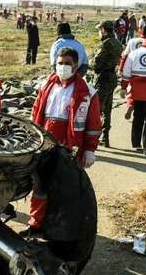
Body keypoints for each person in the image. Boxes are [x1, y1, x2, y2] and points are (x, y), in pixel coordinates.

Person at [26, 47, 101, 234]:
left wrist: (90, 150)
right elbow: (36, 113)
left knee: (65, 189)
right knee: (40, 186)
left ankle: (59, 230)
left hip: (69, 148)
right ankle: (35, 225)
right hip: (44, 144)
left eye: (68, 63)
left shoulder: (87, 93)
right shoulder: (46, 86)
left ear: (76, 66)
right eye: (60, 63)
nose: (63, 66)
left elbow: (93, 124)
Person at [92, 20, 124, 147]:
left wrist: (90, 65)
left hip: (103, 79)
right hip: (111, 77)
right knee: (107, 110)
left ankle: (93, 137)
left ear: (103, 30)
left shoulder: (105, 44)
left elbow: (97, 65)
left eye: (99, 30)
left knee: (96, 110)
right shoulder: (117, 43)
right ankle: (105, 137)